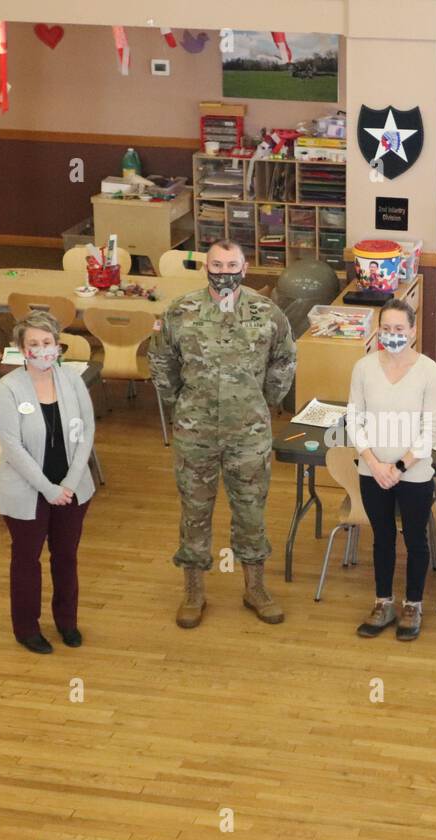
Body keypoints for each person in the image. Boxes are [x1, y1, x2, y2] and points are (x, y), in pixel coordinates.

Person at [149, 239, 297, 628]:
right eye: (217, 264)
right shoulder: (181, 312)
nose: (224, 272)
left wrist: (263, 402)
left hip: (248, 433)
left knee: (251, 511)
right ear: (206, 268)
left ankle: (255, 588)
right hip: (194, 432)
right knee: (195, 511)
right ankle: (194, 590)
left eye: (232, 265)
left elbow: (284, 359)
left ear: (245, 268)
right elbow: (161, 360)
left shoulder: (267, 313)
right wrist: (180, 402)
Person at [0, 311, 97, 654]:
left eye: (47, 343)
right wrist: (49, 489)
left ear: (58, 346)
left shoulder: (72, 379)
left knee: (66, 556)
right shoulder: (8, 388)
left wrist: (68, 482)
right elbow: (13, 448)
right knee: (27, 559)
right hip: (27, 492)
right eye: (33, 344)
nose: (41, 350)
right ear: (21, 350)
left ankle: (67, 622)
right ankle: (26, 628)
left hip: (72, 489)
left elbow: (87, 433)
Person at [347, 298, 436, 640]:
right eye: (386, 329)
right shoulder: (363, 368)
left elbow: (430, 430)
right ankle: (383, 601)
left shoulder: (430, 372)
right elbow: (354, 420)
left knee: (415, 539)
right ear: (378, 331)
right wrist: (374, 464)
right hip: (372, 472)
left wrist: (399, 466)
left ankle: (413, 604)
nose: (392, 335)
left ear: (413, 331)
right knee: (382, 538)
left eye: (399, 329)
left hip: (414, 474)